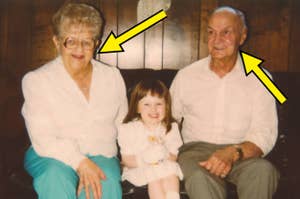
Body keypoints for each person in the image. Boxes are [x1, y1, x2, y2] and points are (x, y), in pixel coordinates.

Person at [170, 6, 279, 199]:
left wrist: (234, 152)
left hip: (241, 153)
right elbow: (169, 120)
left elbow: (265, 131)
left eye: (226, 32)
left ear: (242, 36)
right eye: (211, 32)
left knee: (263, 171)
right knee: (198, 177)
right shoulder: (187, 76)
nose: (216, 40)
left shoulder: (260, 79)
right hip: (195, 152)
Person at [21, 3, 128, 199]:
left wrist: (135, 156)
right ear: (57, 42)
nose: (79, 48)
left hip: (101, 151)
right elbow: (43, 138)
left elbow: (123, 123)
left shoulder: (112, 77)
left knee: (106, 181)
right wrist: (80, 162)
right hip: (49, 154)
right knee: (55, 177)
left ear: (96, 44)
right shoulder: (37, 80)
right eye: (71, 41)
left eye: (87, 41)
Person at [117, 79, 183, 199]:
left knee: (172, 173)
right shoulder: (129, 129)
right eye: (146, 104)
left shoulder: (170, 128)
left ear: (166, 107)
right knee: (154, 177)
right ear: (137, 108)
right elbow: (126, 160)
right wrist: (144, 159)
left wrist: (165, 153)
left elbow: (174, 156)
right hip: (140, 168)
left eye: (159, 104)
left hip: (166, 167)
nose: (153, 109)